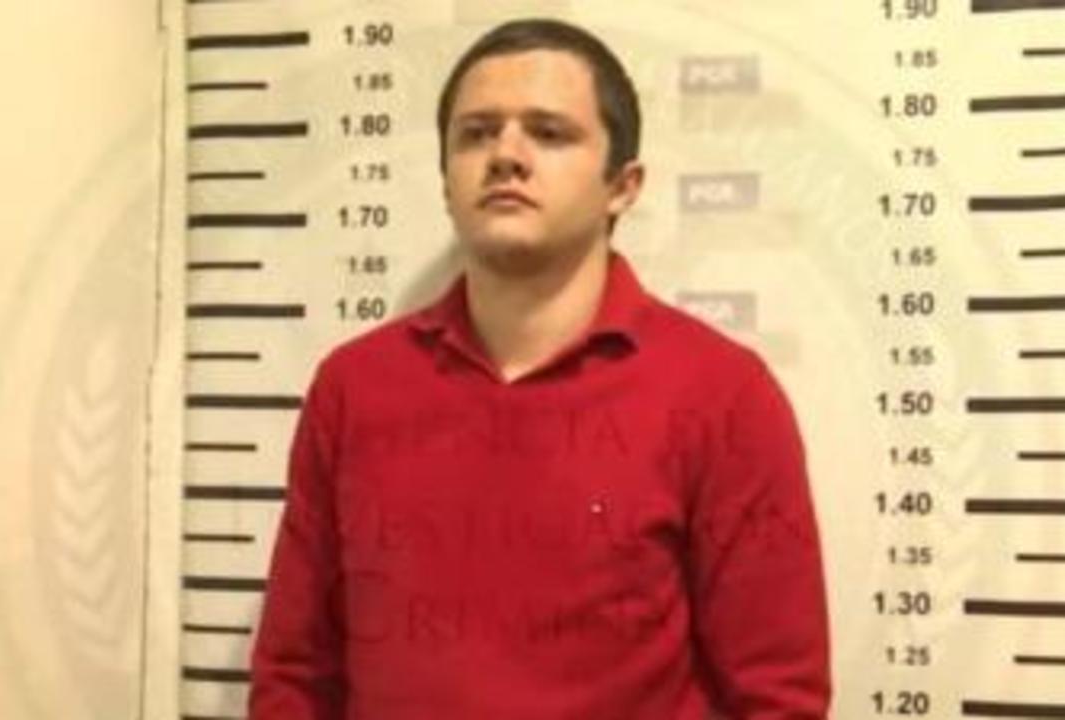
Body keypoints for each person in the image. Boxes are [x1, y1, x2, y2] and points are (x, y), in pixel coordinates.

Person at [249, 17, 831, 720]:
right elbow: (295, 671)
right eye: (476, 133)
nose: (506, 155)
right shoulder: (354, 388)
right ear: (445, 182)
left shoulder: (723, 395)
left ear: (623, 186)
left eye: (549, 133)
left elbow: (778, 698)